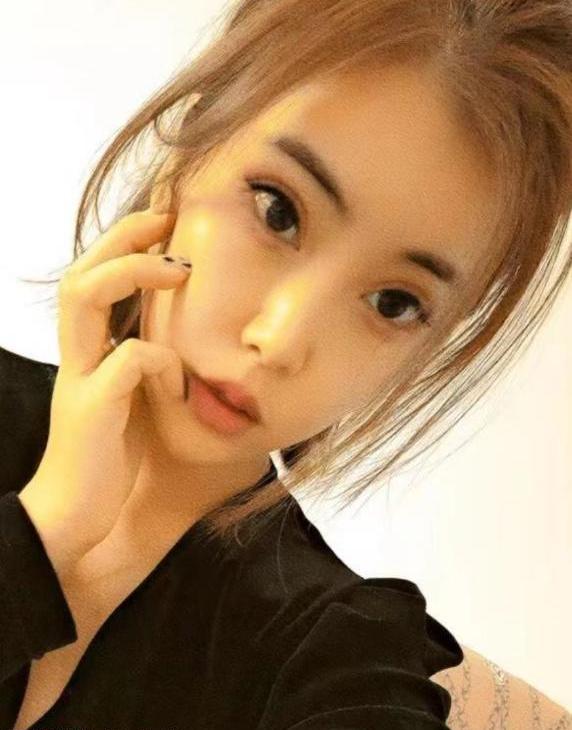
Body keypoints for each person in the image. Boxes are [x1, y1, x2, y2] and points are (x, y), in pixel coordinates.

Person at [1, 0, 571, 727]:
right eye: (279, 212)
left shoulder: (335, 653)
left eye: (394, 303)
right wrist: (46, 531)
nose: (279, 339)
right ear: (186, 154)